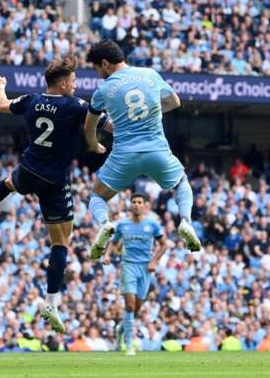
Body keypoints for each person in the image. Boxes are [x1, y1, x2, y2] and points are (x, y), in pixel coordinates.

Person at [0, 53, 111, 333]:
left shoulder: (31, 99)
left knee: (10, 182)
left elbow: (1, 106)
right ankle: (51, 302)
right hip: (55, 180)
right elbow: (107, 124)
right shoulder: (75, 105)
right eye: (72, 80)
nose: (75, 84)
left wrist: (0, 86)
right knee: (61, 243)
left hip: (30, 169)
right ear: (61, 84)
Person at [84, 39, 201, 259]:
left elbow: (90, 125)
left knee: (96, 197)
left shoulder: (103, 89)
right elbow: (174, 101)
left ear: (105, 63)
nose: (97, 74)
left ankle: (105, 224)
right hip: (157, 151)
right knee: (182, 184)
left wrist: (93, 143)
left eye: (96, 68)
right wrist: (150, 113)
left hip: (124, 155)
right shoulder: (150, 74)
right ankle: (185, 221)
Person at [102, 193, 167, 356]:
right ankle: (129, 345)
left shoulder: (152, 224)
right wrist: (108, 254)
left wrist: (154, 261)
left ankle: (120, 330)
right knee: (129, 305)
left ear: (145, 205)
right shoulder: (123, 224)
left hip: (145, 268)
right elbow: (114, 242)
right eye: (134, 202)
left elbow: (164, 245)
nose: (136, 204)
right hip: (128, 266)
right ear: (130, 205)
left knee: (136, 309)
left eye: (139, 202)